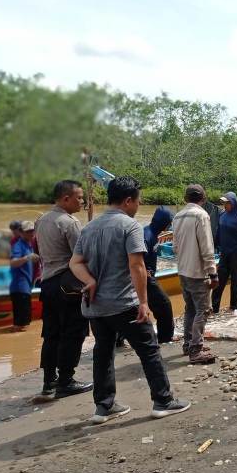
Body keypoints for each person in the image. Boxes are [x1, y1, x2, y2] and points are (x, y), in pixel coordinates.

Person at [69, 176, 190, 423]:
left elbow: (75, 262)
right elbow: (137, 266)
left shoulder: (89, 227)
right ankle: (163, 401)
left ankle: (103, 406)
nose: (138, 205)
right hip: (124, 303)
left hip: (96, 306)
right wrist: (144, 303)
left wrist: (89, 281)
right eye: (138, 201)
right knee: (149, 350)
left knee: (102, 353)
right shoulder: (130, 226)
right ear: (128, 201)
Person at [34, 180, 93, 399]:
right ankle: (66, 380)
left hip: (47, 283)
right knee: (73, 332)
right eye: (79, 197)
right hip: (67, 285)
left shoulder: (41, 220)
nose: (82, 201)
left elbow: (38, 250)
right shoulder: (69, 222)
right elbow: (82, 256)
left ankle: (49, 382)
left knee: (51, 334)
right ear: (66, 198)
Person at [173, 184, 218, 364]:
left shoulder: (178, 216)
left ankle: (188, 343)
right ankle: (195, 349)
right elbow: (207, 248)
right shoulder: (201, 215)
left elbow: (175, 246)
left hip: (182, 270)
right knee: (203, 310)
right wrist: (213, 272)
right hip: (197, 272)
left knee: (190, 308)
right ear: (203, 198)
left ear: (186, 199)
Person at [212, 192, 237, 314]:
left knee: (235, 281)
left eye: (227, 203)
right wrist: (214, 248)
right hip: (224, 253)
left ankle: (233, 307)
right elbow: (218, 233)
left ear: (233, 203)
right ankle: (214, 308)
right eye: (224, 203)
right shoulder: (222, 215)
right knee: (219, 281)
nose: (225, 205)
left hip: (236, 253)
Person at [143, 206, 175, 344]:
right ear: (163, 222)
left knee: (131, 309)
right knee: (164, 305)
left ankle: (119, 338)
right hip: (145, 277)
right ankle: (165, 338)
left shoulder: (153, 233)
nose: (169, 225)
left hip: (149, 276)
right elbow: (137, 258)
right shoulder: (147, 235)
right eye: (169, 222)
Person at [9, 220, 39, 332]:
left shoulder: (28, 245)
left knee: (24, 322)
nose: (31, 233)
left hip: (25, 287)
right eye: (28, 231)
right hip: (19, 287)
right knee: (20, 324)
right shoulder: (18, 245)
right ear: (21, 232)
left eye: (32, 231)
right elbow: (13, 262)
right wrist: (27, 258)